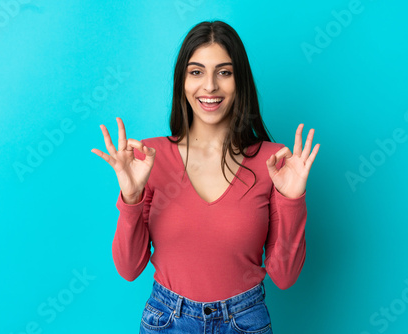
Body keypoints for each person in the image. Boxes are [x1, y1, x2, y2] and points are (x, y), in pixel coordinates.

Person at [91, 20, 319, 333]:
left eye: (224, 72)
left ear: (240, 80)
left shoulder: (274, 161)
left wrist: (292, 200)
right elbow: (129, 269)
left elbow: (285, 277)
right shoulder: (149, 158)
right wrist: (131, 198)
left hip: (244, 321)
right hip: (167, 320)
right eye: (196, 71)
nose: (210, 86)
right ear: (181, 81)